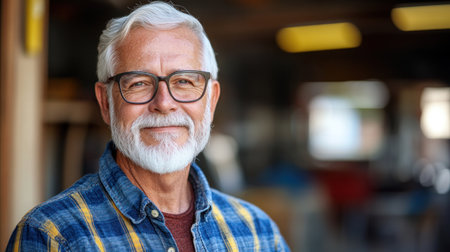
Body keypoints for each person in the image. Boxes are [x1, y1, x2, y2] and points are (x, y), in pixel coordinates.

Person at [6, 1, 290, 251]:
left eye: (184, 82)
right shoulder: (53, 236)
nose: (164, 103)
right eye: (139, 83)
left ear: (212, 100)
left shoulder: (257, 233)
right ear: (105, 102)